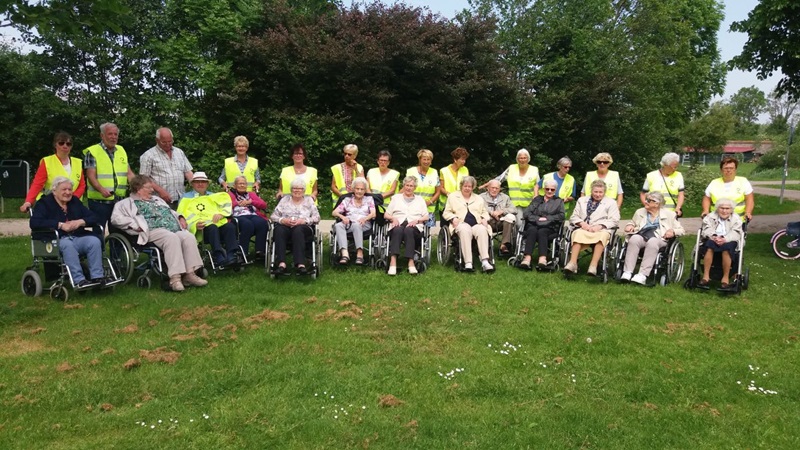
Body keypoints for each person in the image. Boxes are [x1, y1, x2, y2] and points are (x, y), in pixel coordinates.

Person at [111, 175, 207, 292]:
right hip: (151, 231)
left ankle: (190, 274)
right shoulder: (125, 204)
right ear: (138, 188)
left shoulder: (157, 200)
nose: (152, 190)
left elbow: (170, 212)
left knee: (188, 237)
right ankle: (175, 279)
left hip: (172, 229)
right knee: (171, 238)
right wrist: (135, 225)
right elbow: (116, 219)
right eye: (149, 187)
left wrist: (180, 217)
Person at [30, 177, 107, 288]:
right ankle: (79, 280)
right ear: (54, 191)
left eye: (70, 189)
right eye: (64, 189)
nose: (68, 192)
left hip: (77, 236)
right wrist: (60, 225)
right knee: (68, 245)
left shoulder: (74, 201)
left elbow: (94, 217)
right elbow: (35, 222)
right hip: (55, 239)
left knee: (93, 241)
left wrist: (80, 222)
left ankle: (97, 277)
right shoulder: (44, 203)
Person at [178, 172, 240, 268]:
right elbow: (181, 216)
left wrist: (221, 214)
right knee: (212, 228)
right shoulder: (185, 198)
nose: (200, 184)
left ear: (207, 184)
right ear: (192, 184)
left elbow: (225, 208)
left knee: (230, 226)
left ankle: (231, 255)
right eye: (197, 182)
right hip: (202, 229)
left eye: (203, 182)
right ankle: (218, 256)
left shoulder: (214, 196)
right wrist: (194, 225)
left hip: (218, 224)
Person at [621, 192, 685, 285]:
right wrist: (629, 225)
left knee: (652, 242)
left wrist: (673, 231)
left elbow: (681, 230)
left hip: (660, 239)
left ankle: (643, 275)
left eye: (649, 200)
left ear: (657, 204)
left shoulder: (669, 214)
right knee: (634, 238)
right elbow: (632, 222)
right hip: (642, 236)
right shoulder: (639, 212)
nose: (645, 202)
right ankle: (627, 272)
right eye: (646, 199)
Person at [83, 122, 136, 228]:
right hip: (99, 201)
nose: (113, 137)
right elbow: (90, 175)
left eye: (115, 134)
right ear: (102, 135)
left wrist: (138, 188)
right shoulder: (93, 151)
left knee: (118, 231)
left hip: (119, 200)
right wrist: (101, 189)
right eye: (110, 134)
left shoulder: (121, 150)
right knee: (98, 230)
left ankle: (115, 245)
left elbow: (129, 173)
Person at [564, 179, 620, 276]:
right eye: (595, 192)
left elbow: (615, 220)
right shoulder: (582, 201)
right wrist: (582, 224)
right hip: (584, 228)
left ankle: (593, 266)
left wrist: (600, 226)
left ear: (604, 192)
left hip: (601, 229)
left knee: (601, 237)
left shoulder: (611, 203)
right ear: (591, 191)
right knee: (577, 234)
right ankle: (572, 263)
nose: (598, 194)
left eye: (600, 192)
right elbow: (574, 217)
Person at [20, 132, 86, 212]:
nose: (65, 146)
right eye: (61, 143)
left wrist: (71, 199)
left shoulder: (78, 162)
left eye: (68, 144)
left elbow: (82, 185)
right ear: (55, 145)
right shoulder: (47, 161)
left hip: (73, 204)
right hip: (50, 204)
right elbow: (37, 184)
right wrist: (28, 201)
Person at [442, 176, 494, 273]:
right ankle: (468, 262)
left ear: (473, 187)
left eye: (469, 186)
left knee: (482, 229)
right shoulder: (453, 196)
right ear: (461, 186)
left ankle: (485, 261)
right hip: (461, 223)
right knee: (465, 230)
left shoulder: (478, 198)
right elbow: (446, 212)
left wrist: (485, 219)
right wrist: (453, 218)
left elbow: (484, 212)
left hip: (476, 224)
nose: (467, 188)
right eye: (465, 186)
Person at [270, 178, 321, 275]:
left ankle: (300, 264)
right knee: (279, 230)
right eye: (294, 188)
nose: (297, 190)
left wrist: (304, 221)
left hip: (303, 227)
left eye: (300, 188)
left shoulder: (309, 200)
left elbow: (317, 217)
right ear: (291, 189)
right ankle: (281, 264)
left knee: (298, 230)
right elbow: (273, 216)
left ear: (304, 190)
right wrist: (282, 220)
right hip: (286, 226)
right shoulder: (285, 200)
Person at [482, 148, 540, 229]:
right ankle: (518, 241)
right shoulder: (512, 168)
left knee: (529, 223)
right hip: (514, 202)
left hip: (529, 201)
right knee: (518, 224)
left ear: (528, 159)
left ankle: (525, 240)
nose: (522, 160)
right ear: (517, 159)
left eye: (524, 158)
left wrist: (536, 196)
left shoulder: (534, 169)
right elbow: (500, 179)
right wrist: (487, 184)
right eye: (520, 158)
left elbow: (537, 184)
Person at [139, 127, 194, 209]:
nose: (168, 144)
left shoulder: (179, 152)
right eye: (164, 142)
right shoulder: (148, 155)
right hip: (159, 200)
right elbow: (144, 178)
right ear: (157, 140)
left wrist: (196, 186)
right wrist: (160, 191)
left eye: (170, 141)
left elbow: (188, 172)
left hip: (181, 198)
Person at [384, 176, 429, 276]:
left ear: (415, 187)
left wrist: (417, 220)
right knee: (398, 230)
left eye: (411, 186)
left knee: (409, 230)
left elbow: (426, 216)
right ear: (403, 186)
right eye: (407, 185)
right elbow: (386, 214)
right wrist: (393, 218)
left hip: (414, 226)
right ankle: (393, 261)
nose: (409, 188)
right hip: (397, 223)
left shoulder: (420, 200)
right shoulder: (396, 198)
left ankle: (411, 261)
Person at [519, 179, 565, 270]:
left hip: (550, 227)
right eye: (547, 189)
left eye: (552, 189)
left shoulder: (558, 201)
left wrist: (547, 218)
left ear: (555, 190)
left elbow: (561, 215)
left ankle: (542, 259)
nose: (549, 191)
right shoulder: (537, 199)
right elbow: (527, 213)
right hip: (534, 224)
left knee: (542, 232)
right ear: (544, 189)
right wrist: (538, 219)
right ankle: (527, 258)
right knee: (532, 230)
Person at [699, 198, 743, 289]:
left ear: (731, 210)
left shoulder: (736, 219)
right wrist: (714, 236)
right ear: (717, 208)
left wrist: (725, 239)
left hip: (729, 240)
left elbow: (736, 233)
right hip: (713, 238)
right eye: (722, 208)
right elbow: (706, 229)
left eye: (727, 208)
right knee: (709, 246)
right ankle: (706, 277)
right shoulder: (710, 217)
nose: (724, 211)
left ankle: (725, 278)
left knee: (727, 248)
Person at [332, 177, 376, 265]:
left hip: (364, 224)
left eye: (362, 189)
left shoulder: (369, 199)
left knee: (356, 225)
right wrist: (342, 217)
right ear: (353, 189)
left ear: (365, 190)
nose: (359, 191)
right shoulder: (347, 200)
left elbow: (373, 214)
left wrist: (365, 218)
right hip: (349, 223)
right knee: (338, 226)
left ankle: (360, 254)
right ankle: (345, 254)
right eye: (357, 188)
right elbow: (334, 212)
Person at [228, 175, 269, 260]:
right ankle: (243, 252)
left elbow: (264, 205)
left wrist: (251, 201)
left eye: (244, 183)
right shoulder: (229, 195)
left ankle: (260, 251)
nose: (242, 185)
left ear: (246, 185)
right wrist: (237, 203)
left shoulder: (251, 194)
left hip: (252, 214)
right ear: (235, 186)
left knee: (262, 223)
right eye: (239, 184)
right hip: (238, 216)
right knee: (247, 224)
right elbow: (225, 207)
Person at [702, 156, 754, 221]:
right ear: (721, 170)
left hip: (737, 220)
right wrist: (705, 210)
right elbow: (707, 198)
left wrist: (748, 212)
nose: (728, 170)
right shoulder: (714, 182)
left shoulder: (743, 182)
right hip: (716, 219)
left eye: (731, 168)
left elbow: (749, 199)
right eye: (726, 168)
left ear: (735, 169)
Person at [641, 152, 684, 217]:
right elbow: (643, 194)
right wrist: (647, 205)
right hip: (653, 213)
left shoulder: (678, 175)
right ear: (665, 165)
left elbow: (681, 195)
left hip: (671, 214)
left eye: (676, 167)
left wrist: (678, 208)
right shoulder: (651, 176)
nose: (674, 169)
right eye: (673, 167)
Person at [480, 179, 516, 255]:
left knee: (510, 217)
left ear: (500, 189)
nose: (494, 190)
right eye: (492, 187)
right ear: (488, 188)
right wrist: (492, 212)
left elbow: (514, 209)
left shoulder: (505, 197)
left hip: (501, 222)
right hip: (487, 222)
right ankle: (483, 248)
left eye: (497, 188)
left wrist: (501, 211)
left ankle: (504, 245)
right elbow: (479, 208)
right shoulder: (481, 197)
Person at [405, 149, 440, 226]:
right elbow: (406, 188)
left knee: (426, 233)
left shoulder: (434, 172)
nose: (426, 161)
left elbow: (438, 192)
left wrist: (429, 202)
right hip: (412, 206)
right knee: (411, 229)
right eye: (424, 159)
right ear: (420, 160)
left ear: (431, 161)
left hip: (429, 207)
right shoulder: (411, 171)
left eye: (428, 159)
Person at [438, 147, 470, 212]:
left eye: (465, 159)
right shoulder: (444, 171)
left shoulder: (465, 169)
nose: (464, 161)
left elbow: (468, 185)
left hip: (461, 204)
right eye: (462, 159)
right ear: (455, 159)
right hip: (446, 204)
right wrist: (449, 195)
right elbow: (440, 188)